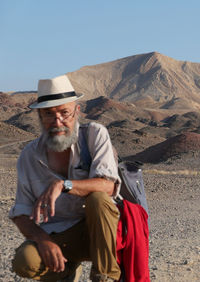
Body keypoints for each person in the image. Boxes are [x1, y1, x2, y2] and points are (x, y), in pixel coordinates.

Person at [9, 75, 121, 282]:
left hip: (101, 233)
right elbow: (21, 213)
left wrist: (63, 185)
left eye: (64, 112)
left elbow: (108, 186)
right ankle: (65, 271)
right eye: (49, 114)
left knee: (98, 199)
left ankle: (106, 276)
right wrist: (43, 240)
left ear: (77, 112)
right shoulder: (29, 156)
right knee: (25, 261)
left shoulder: (94, 135)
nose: (57, 121)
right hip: (59, 234)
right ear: (40, 117)